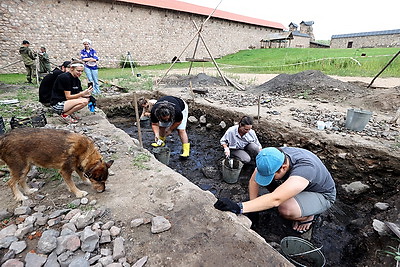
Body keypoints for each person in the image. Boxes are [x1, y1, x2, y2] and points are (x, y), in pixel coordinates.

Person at [214, 147, 336, 234]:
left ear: (283, 167)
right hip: (300, 185)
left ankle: (309, 216)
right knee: (268, 182)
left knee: (285, 208)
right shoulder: (272, 156)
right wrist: (253, 210)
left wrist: (239, 207)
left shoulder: (306, 169)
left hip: (322, 195)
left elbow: (276, 199)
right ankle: (293, 198)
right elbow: (254, 179)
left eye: (272, 175)